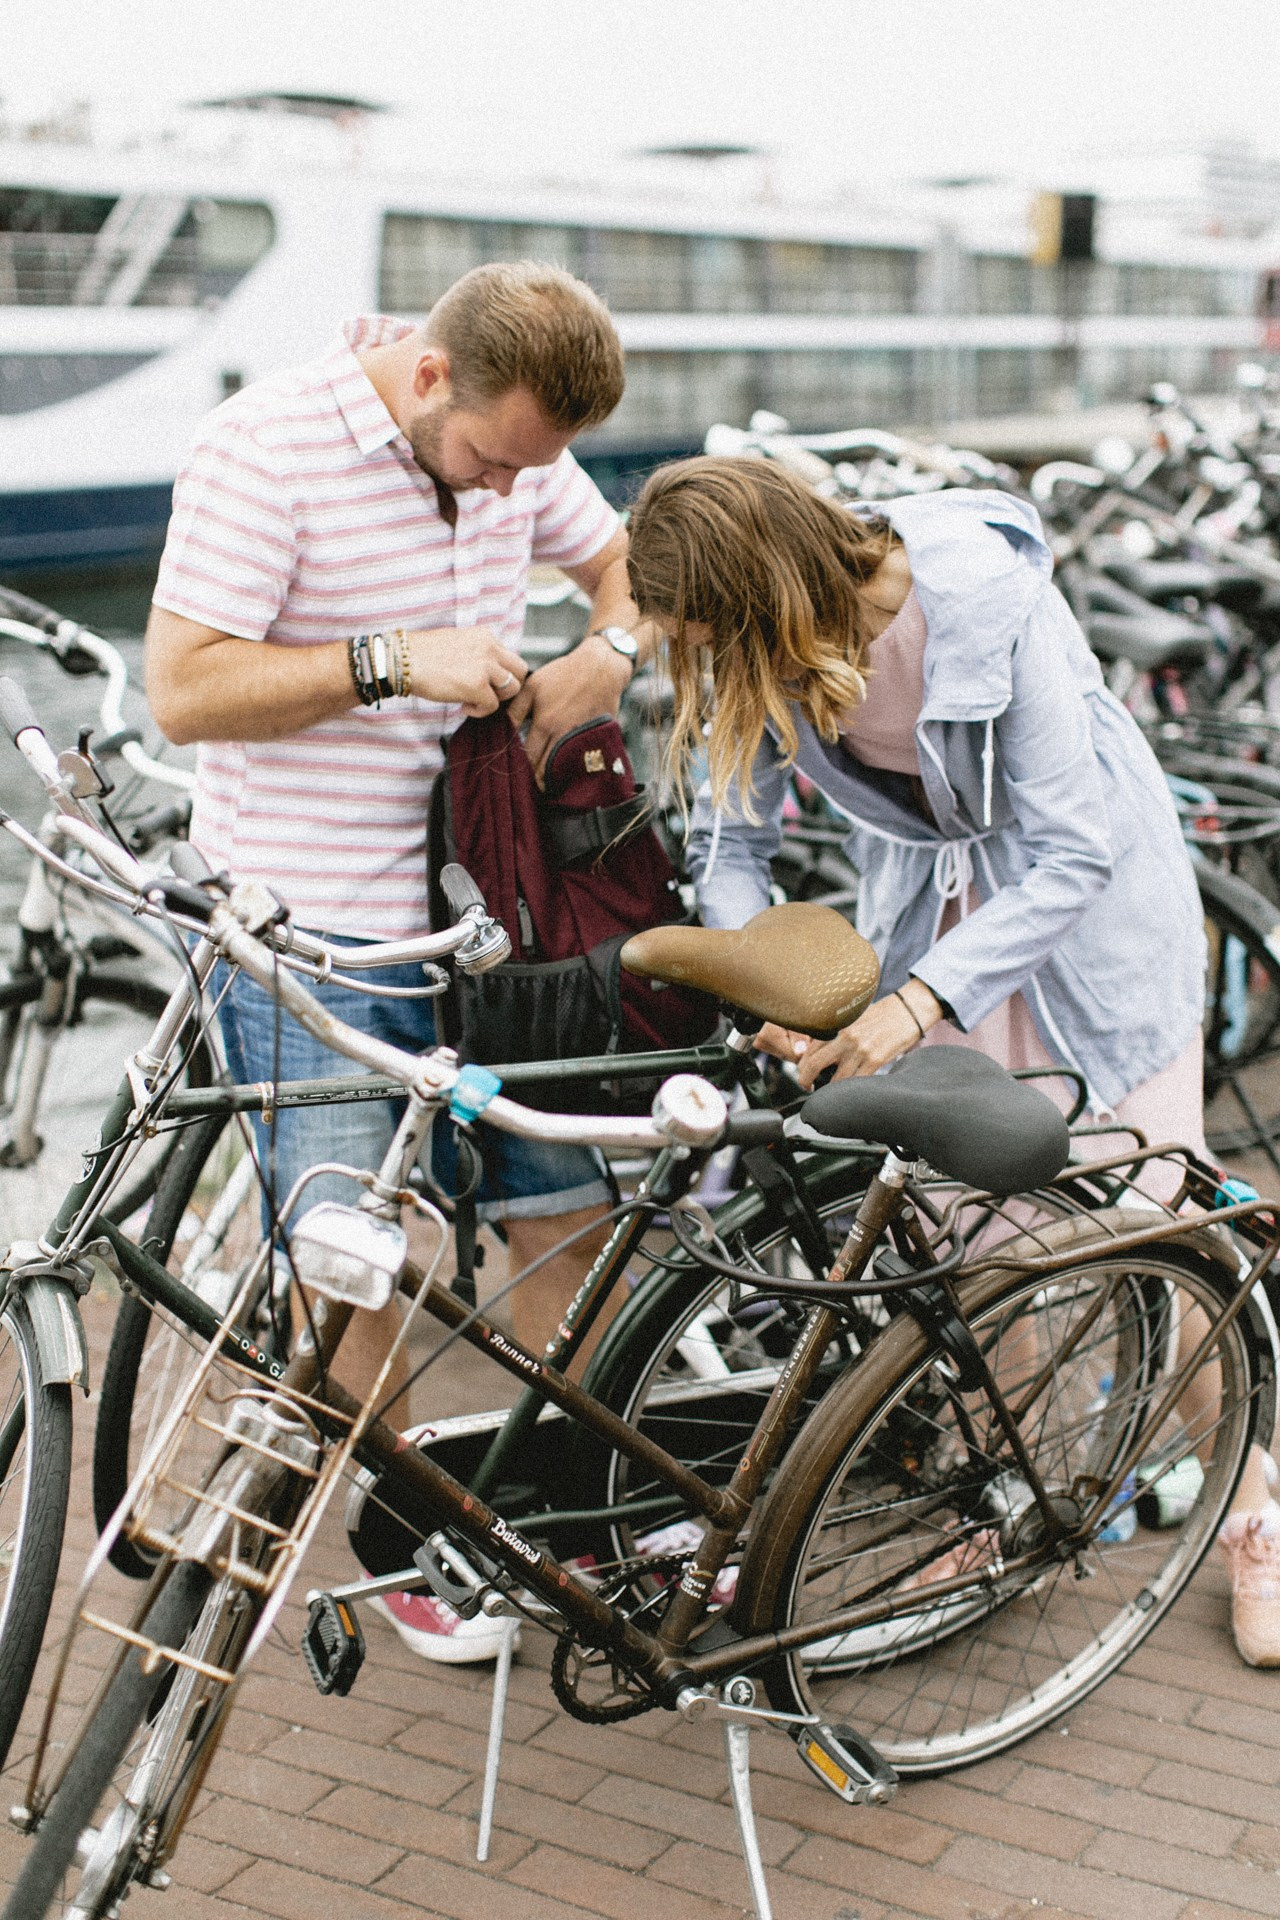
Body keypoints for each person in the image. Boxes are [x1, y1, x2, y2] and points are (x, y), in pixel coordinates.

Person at [623, 453, 1280, 1669]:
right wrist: (762, 963)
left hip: (1081, 918)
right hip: (935, 917)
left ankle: (1254, 1504)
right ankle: (998, 1490)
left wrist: (915, 1002)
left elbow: (1070, 849)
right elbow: (730, 835)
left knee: (1144, 1214)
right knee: (953, 1221)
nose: (704, 664)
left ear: (767, 593)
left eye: (712, 635)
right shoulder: (759, 647)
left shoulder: (986, 598)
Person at [146, 262, 653, 1663]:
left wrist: (609, 649)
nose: (511, 496)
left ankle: (577, 1514)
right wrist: (385, 661)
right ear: (433, 379)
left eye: (533, 472)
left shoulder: (512, 447)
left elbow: (619, 565)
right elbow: (183, 689)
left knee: (566, 1214)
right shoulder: (268, 447)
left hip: (491, 914)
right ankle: (407, 1540)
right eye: (497, 462)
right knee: (351, 1267)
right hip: (312, 930)